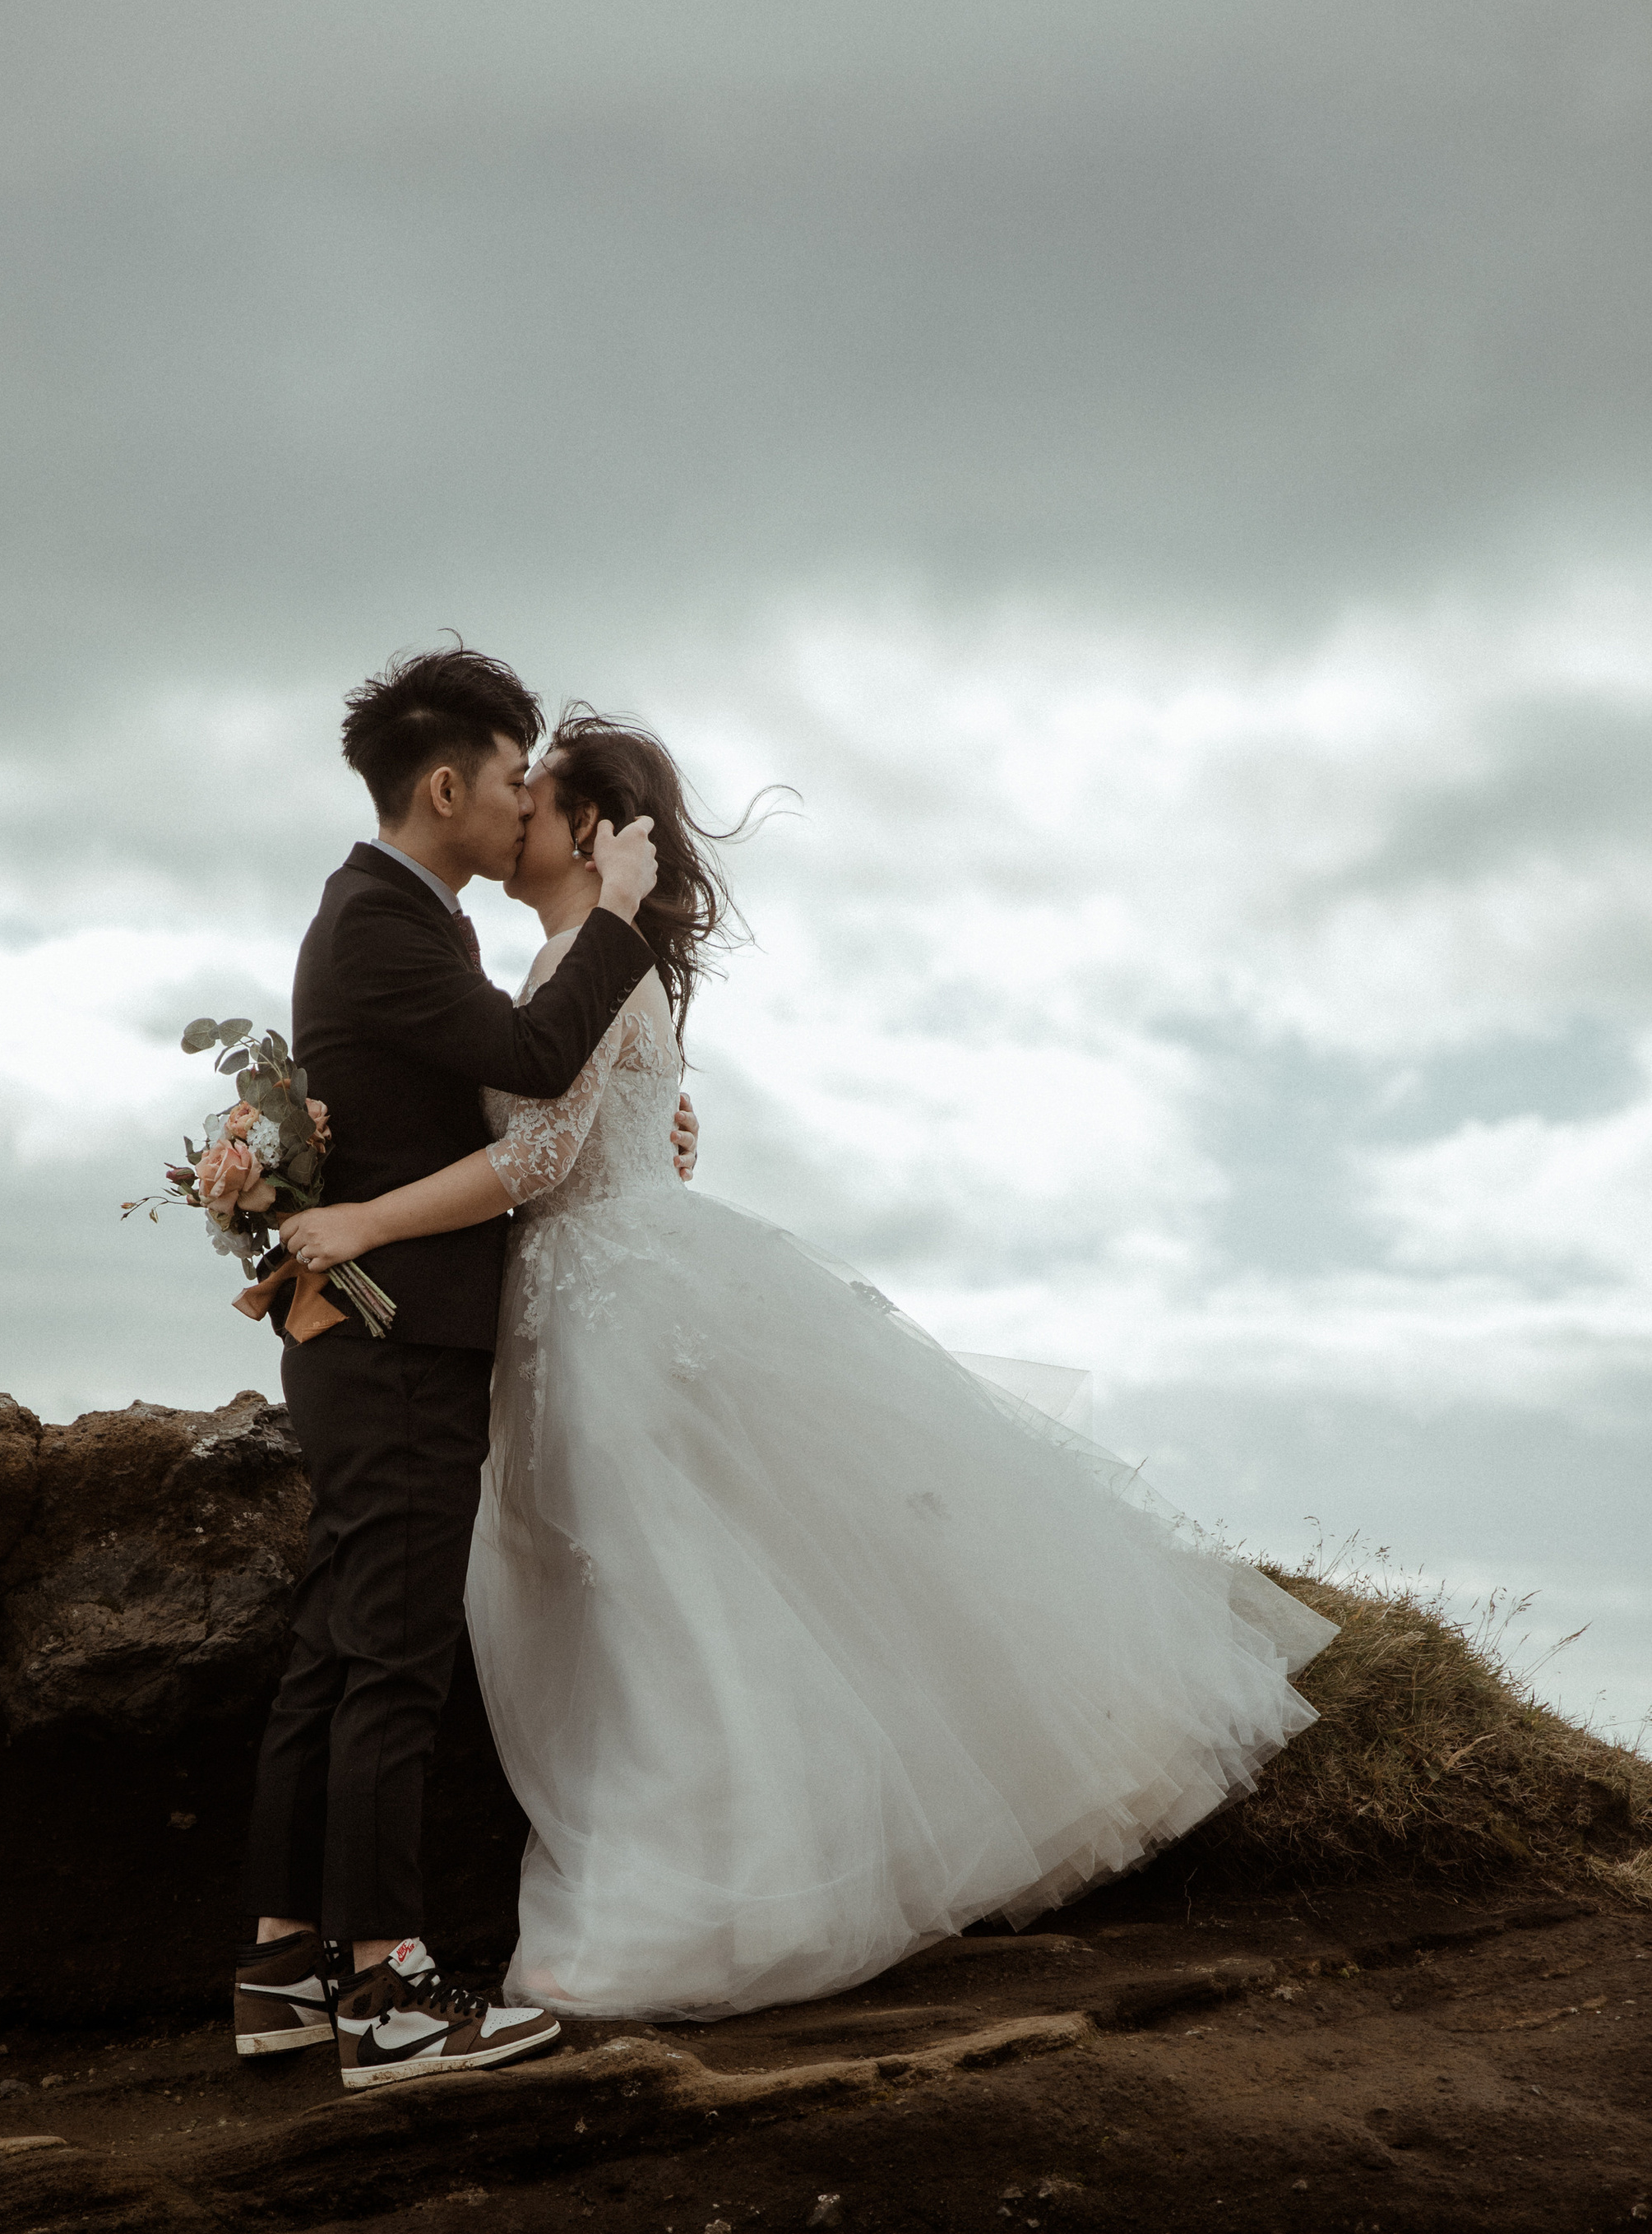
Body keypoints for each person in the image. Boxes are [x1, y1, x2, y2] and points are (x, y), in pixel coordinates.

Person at [279, 710, 1339, 2026]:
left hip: (608, 1310)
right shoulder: (551, 960)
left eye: (539, 795)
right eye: (513, 784)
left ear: (593, 834)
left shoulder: (579, 959)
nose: (519, 812)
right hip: (580, 1295)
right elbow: (545, 1101)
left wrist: (370, 1216)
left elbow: (545, 1156)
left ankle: (699, 1901)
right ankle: (672, 1884)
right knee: (623, 1598)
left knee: (654, 1597)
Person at [224, 646, 696, 2089]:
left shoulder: (398, 924)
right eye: (508, 777)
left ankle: (284, 1969)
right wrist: (621, 917)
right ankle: (389, 1994)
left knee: (339, 1648)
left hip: (384, 1326)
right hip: (396, 1334)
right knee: (393, 1659)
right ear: (448, 785)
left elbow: (527, 1100)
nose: (516, 802)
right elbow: (538, 1063)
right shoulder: (385, 924)